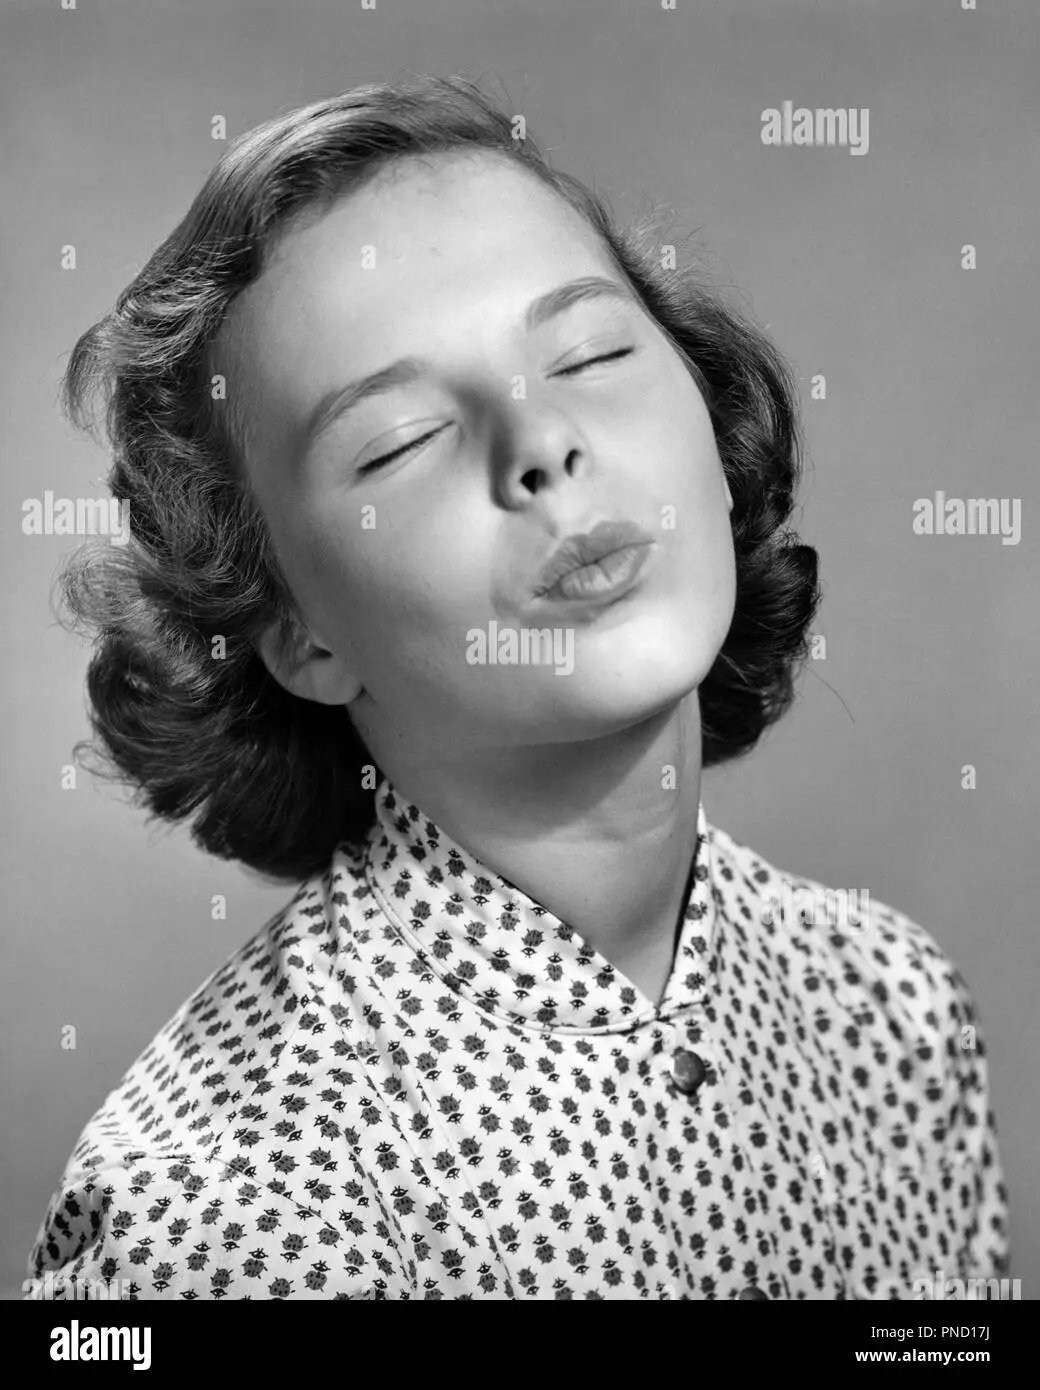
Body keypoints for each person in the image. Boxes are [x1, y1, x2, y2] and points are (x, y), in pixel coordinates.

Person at [26, 73, 1009, 1301]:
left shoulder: (894, 1012)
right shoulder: (217, 1223)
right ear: (294, 631)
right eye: (399, 440)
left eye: (589, 352)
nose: (541, 444)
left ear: (711, 429)